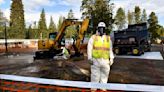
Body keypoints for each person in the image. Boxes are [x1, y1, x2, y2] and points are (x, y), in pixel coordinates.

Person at [87, 22, 114, 91]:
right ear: (98, 29)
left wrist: (111, 58)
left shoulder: (108, 39)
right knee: (94, 78)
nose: (101, 30)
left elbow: (110, 49)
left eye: (103, 28)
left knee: (104, 79)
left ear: (105, 29)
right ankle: (93, 90)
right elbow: (89, 48)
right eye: (100, 28)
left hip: (105, 62)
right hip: (96, 61)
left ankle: (103, 90)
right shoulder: (93, 38)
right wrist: (90, 58)